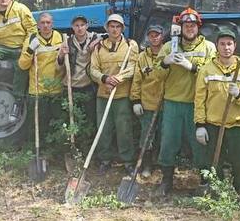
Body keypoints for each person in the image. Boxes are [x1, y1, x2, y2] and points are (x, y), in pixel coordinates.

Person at [154, 7, 217, 196]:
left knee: (200, 144)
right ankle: (166, 181)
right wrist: (166, 62)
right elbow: (157, 75)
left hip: (197, 104)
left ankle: (205, 182)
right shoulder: (168, 47)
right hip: (173, 103)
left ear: (198, 27)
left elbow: (213, 74)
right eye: (185, 25)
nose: (189, 28)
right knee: (168, 142)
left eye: (192, 25)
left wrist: (192, 67)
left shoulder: (208, 48)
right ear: (180, 27)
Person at [194, 28, 240, 193]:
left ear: (235, 46)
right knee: (214, 162)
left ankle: (239, 193)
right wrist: (200, 125)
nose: (226, 47)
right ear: (217, 46)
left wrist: (239, 94)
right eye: (222, 44)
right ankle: (218, 193)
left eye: (229, 44)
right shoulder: (207, 70)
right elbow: (199, 99)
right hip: (213, 124)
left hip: (238, 125)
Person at [89, 14, 140, 173]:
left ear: (122, 28)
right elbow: (93, 70)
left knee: (124, 129)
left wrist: (118, 78)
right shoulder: (98, 47)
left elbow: (133, 67)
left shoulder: (130, 45)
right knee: (103, 128)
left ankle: (128, 161)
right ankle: (105, 159)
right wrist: (105, 79)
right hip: (103, 95)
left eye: (118, 27)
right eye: (112, 26)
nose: (115, 29)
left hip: (122, 95)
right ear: (107, 28)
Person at [18, 12, 64, 149]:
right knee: (37, 126)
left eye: (48, 22)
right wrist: (30, 50)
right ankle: (36, 151)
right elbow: (22, 65)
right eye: (42, 23)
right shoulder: (32, 38)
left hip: (56, 89)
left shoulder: (60, 37)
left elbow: (64, 63)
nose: (45, 25)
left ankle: (56, 152)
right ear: (38, 25)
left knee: (57, 123)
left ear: (52, 24)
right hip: (37, 90)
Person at [57, 15, 101, 151]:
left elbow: (109, 36)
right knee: (71, 118)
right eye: (76, 25)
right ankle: (72, 149)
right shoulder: (67, 42)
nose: (80, 28)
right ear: (72, 27)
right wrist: (61, 55)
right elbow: (58, 67)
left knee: (89, 119)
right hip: (71, 86)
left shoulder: (95, 39)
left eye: (82, 25)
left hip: (88, 86)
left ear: (87, 26)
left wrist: (99, 41)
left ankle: (88, 148)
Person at [130, 24, 165, 178]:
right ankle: (146, 165)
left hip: (166, 102)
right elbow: (137, 79)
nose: (154, 38)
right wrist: (135, 100)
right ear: (148, 37)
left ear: (162, 36)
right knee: (147, 135)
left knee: (165, 135)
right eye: (151, 35)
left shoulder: (168, 53)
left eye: (157, 35)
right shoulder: (142, 56)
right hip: (148, 102)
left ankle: (162, 166)